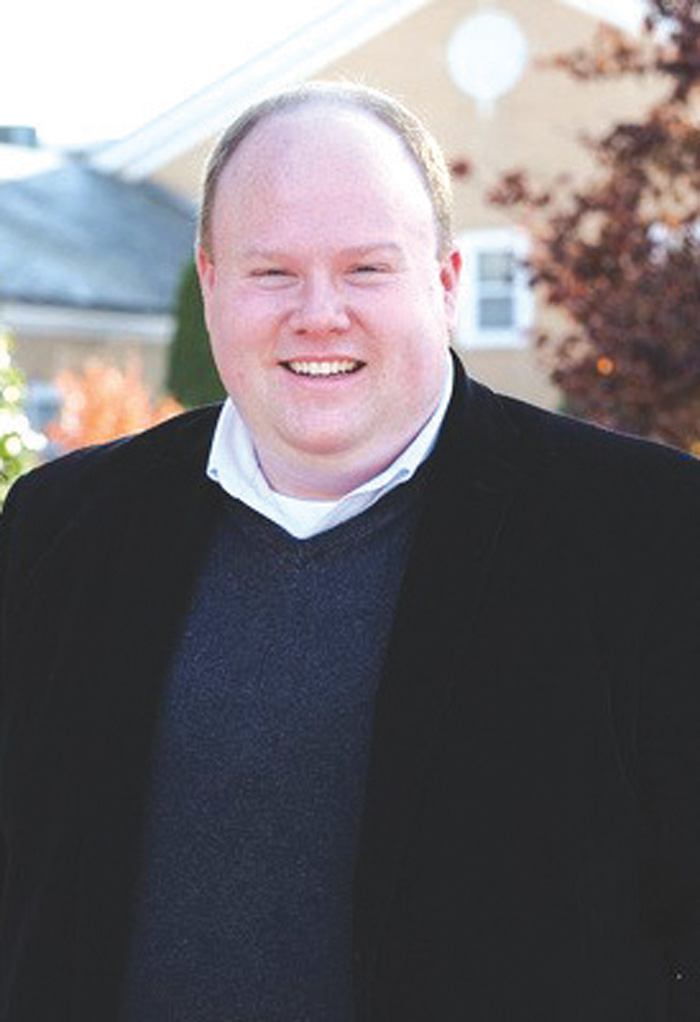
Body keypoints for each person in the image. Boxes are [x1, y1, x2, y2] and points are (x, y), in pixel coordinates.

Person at [1, 82, 699, 1022]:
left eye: (367, 269)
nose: (319, 313)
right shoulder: (60, 529)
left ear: (445, 284)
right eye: (272, 271)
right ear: (210, 282)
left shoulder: (648, 537)